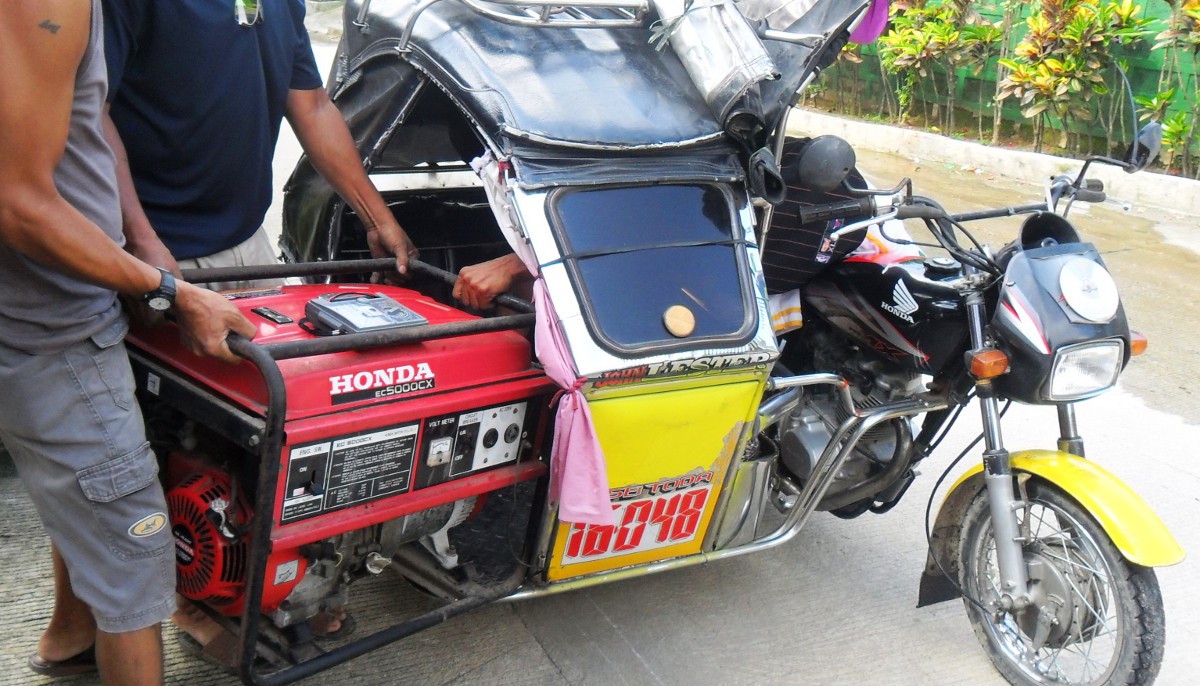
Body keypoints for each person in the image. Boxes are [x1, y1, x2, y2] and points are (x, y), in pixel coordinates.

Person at [0, 2, 258, 684]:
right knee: (137, 569)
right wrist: (169, 290)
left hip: (37, 319)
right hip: (52, 330)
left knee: (79, 501)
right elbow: (18, 203)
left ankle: (69, 637)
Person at [101, 0, 416, 293]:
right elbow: (90, 115)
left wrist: (378, 220)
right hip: (163, 255)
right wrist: (141, 241)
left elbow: (313, 107)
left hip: (251, 244)